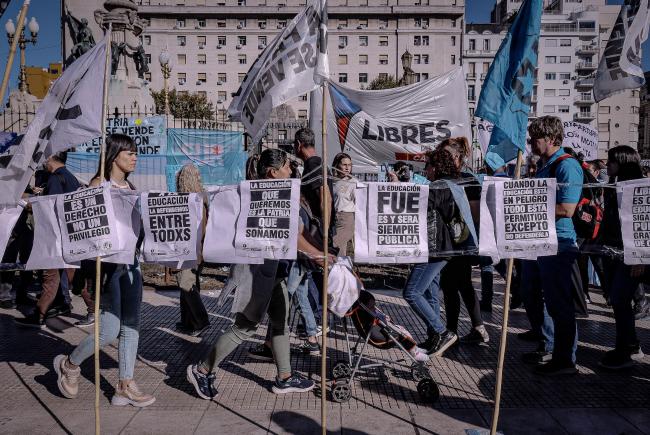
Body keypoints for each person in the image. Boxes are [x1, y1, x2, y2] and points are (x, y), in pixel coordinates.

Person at [187, 149, 317, 400]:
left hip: (273, 270)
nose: (291, 171)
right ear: (273, 172)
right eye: (288, 166)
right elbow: (293, 234)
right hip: (256, 272)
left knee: (280, 322)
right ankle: (202, 370)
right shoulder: (259, 196)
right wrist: (318, 253)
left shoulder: (275, 194)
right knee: (246, 327)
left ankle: (285, 377)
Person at [53, 134, 156, 407]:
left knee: (132, 324)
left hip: (131, 264)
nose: (135, 157)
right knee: (109, 329)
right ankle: (70, 364)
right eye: (129, 152)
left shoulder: (130, 186)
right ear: (114, 155)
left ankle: (125, 384)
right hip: (106, 267)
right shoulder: (99, 185)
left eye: (135, 153)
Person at [519, 116, 583, 376]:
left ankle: (565, 359)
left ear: (552, 139)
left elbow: (567, 209)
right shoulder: (545, 165)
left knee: (558, 303)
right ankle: (549, 345)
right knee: (531, 294)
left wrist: (527, 206)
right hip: (540, 241)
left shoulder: (567, 166)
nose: (531, 143)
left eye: (535, 139)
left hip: (559, 243)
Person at [401, 147, 458, 357]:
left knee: (412, 292)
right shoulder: (446, 184)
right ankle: (435, 337)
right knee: (430, 294)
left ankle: (443, 332)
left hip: (434, 248)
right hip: (440, 248)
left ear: (437, 167)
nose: (426, 171)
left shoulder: (439, 186)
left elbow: (420, 207)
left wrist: (399, 188)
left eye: (428, 166)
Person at [15, 152, 81, 328]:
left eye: (45, 157)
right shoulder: (70, 177)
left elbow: (49, 207)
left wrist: (28, 202)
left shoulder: (55, 179)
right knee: (55, 277)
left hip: (53, 237)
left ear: (51, 158)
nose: (43, 162)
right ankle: (55, 307)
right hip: (64, 236)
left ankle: (39, 316)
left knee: (50, 277)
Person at [436, 137, 489, 345]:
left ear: (457, 157)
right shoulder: (443, 179)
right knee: (456, 285)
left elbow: (475, 214)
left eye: (446, 155)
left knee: (457, 285)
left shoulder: (468, 179)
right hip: (450, 241)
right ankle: (473, 328)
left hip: (462, 240)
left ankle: (456, 330)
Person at [598, 145, 646, 369]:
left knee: (619, 299)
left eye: (611, 161)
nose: (607, 165)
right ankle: (630, 346)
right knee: (618, 301)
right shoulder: (614, 186)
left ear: (623, 162)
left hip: (631, 256)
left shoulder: (639, 188)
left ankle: (627, 350)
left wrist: (639, 257)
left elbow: (642, 224)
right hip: (614, 253)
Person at [173, 164, 210, 336]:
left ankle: (201, 322)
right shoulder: (202, 198)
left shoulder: (190, 201)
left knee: (186, 284)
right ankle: (187, 321)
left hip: (188, 250)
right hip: (199, 249)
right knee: (189, 283)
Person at [332, 152, 356, 256]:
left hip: (346, 219)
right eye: (344, 164)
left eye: (349, 165)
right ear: (337, 165)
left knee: (333, 246)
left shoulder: (353, 182)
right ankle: (339, 271)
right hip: (333, 218)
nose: (347, 168)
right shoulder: (332, 181)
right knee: (340, 251)